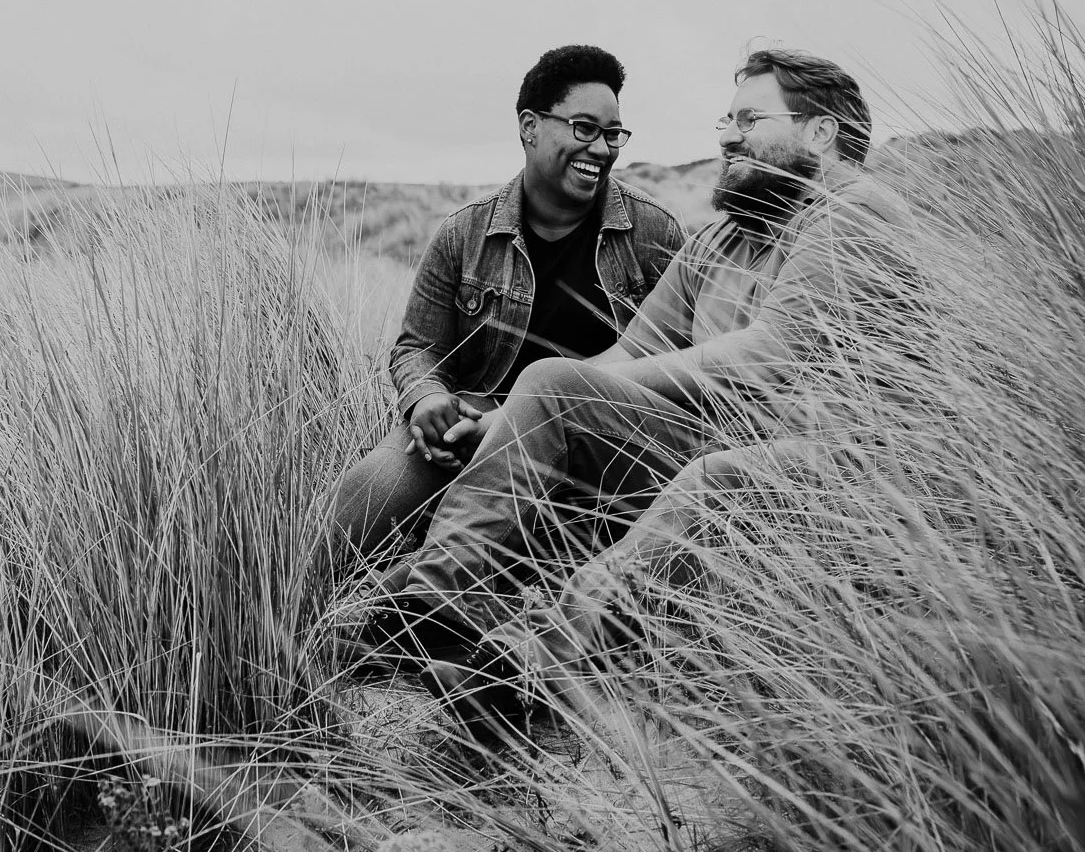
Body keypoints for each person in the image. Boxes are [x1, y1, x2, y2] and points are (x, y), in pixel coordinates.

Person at [352, 48, 912, 734]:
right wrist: (511, 411)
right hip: (713, 444)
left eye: (749, 119)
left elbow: (772, 356)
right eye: (725, 119)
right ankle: (432, 605)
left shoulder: (854, 213)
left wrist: (576, 394)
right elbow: (631, 353)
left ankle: (532, 664)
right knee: (554, 383)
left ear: (819, 132)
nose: (727, 135)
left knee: (714, 477)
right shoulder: (725, 238)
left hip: (833, 479)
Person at [329, 45, 685, 563]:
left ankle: (424, 596)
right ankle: (290, 622)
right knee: (367, 494)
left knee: (503, 553)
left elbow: (676, 351)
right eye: (584, 128)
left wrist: (511, 420)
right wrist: (427, 398)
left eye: (612, 134)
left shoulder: (653, 232)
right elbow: (417, 346)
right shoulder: (465, 233)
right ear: (530, 126)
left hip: (593, 437)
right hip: (465, 426)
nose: (603, 149)